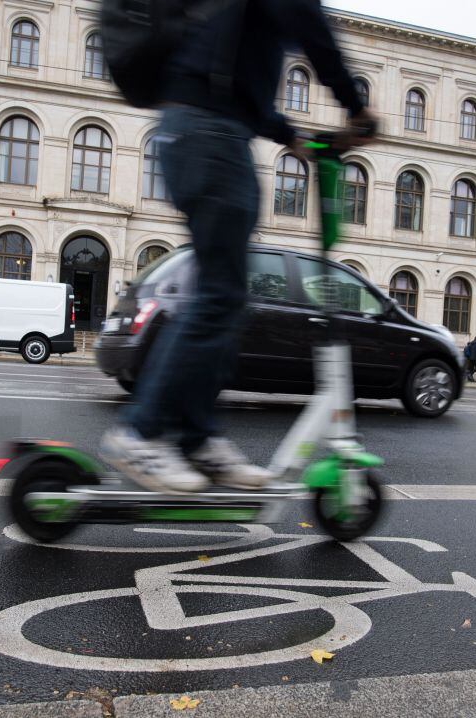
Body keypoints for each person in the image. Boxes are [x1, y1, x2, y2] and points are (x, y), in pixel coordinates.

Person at [101, 0, 376, 494]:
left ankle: (196, 438)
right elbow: (308, 25)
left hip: (212, 129)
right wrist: (356, 106)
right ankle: (141, 433)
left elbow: (239, 81)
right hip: (210, 136)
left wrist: (291, 136)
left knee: (224, 297)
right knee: (220, 295)